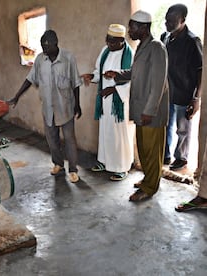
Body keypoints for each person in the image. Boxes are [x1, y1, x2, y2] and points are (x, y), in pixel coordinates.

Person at [104, 10, 169, 201]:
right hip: (142, 109)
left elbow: (158, 83)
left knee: (152, 150)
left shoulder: (157, 48)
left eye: (132, 27)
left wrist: (150, 110)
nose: (129, 30)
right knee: (143, 147)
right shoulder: (142, 47)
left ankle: (150, 188)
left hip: (151, 111)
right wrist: (117, 74)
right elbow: (135, 72)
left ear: (143, 28)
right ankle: (148, 178)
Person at [8, 30, 82, 183]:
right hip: (48, 108)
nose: (44, 50)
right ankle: (58, 164)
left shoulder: (68, 58)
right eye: (42, 46)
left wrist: (78, 104)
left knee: (69, 139)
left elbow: (75, 83)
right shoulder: (40, 60)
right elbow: (30, 79)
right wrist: (17, 96)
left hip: (65, 107)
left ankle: (73, 170)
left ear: (56, 44)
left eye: (47, 46)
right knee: (52, 139)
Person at [81, 24, 135, 181]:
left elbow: (132, 79)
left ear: (121, 40)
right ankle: (105, 162)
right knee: (105, 132)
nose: (109, 44)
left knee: (119, 134)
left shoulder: (129, 54)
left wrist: (113, 90)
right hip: (105, 100)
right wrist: (92, 77)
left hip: (120, 102)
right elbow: (99, 72)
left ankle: (121, 167)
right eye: (108, 40)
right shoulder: (105, 51)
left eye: (113, 42)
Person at [161, 4, 203, 171]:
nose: (167, 24)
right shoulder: (165, 36)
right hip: (167, 91)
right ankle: (165, 155)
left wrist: (196, 97)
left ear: (183, 20)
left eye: (172, 21)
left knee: (183, 129)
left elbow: (201, 71)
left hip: (185, 92)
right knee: (165, 125)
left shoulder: (192, 41)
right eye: (166, 20)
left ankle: (181, 158)